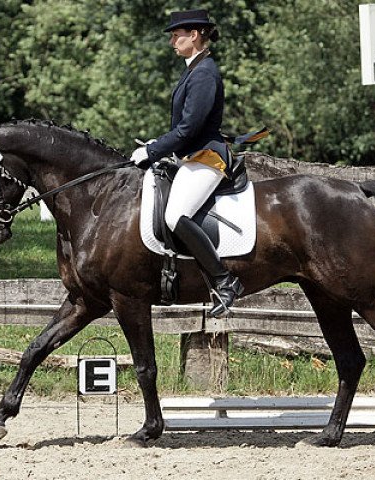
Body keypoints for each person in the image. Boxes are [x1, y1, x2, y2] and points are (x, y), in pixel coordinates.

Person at [130, 9, 243, 317]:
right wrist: (157, 145)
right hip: (192, 155)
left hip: (207, 157)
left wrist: (153, 151)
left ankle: (225, 281)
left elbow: (189, 128)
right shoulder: (194, 69)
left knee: (175, 214)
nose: (172, 42)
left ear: (194, 35)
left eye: (176, 35)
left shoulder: (204, 72)